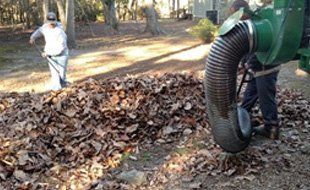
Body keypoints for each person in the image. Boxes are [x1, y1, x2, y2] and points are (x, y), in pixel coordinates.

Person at [230, 0, 280, 139]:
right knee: (251, 92)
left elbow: (260, 49)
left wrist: (249, 63)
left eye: (236, 15)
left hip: (266, 66)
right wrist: (244, 62)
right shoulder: (247, 24)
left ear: (242, 12)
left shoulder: (257, 23)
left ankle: (272, 127)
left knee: (266, 96)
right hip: (257, 67)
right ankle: (242, 114)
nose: (235, 19)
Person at [29, 12, 69, 91]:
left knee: (61, 74)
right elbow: (39, 31)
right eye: (50, 23)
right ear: (47, 22)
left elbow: (61, 47)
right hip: (50, 56)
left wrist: (47, 53)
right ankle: (56, 91)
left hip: (62, 56)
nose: (52, 25)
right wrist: (32, 37)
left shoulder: (60, 31)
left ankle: (63, 89)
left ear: (56, 21)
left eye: (53, 23)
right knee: (54, 75)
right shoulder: (45, 27)